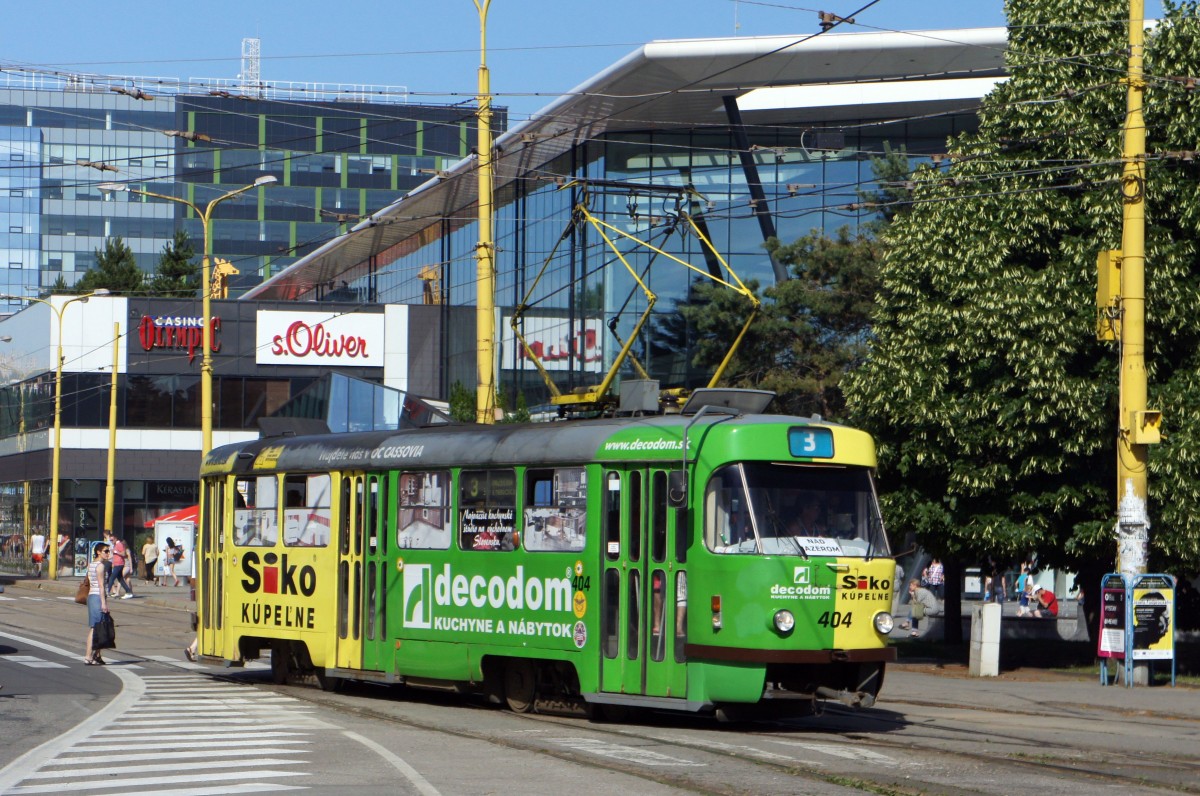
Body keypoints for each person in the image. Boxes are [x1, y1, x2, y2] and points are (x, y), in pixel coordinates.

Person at [83, 543, 111, 665]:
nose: (108, 553)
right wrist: (104, 603)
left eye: (108, 551)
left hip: (92, 596)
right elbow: (100, 586)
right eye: (106, 551)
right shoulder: (100, 566)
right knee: (95, 627)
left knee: (100, 626)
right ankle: (88, 656)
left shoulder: (91, 565)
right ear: (98, 552)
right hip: (97, 598)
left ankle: (97, 655)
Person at [106, 532, 134, 599]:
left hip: (119, 564)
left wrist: (116, 552)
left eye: (112, 540)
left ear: (115, 538)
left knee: (112, 577)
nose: (111, 542)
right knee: (120, 579)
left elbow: (124, 554)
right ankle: (128, 592)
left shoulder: (119, 544)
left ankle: (107, 592)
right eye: (110, 540)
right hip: (116, 564)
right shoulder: (116, 545)